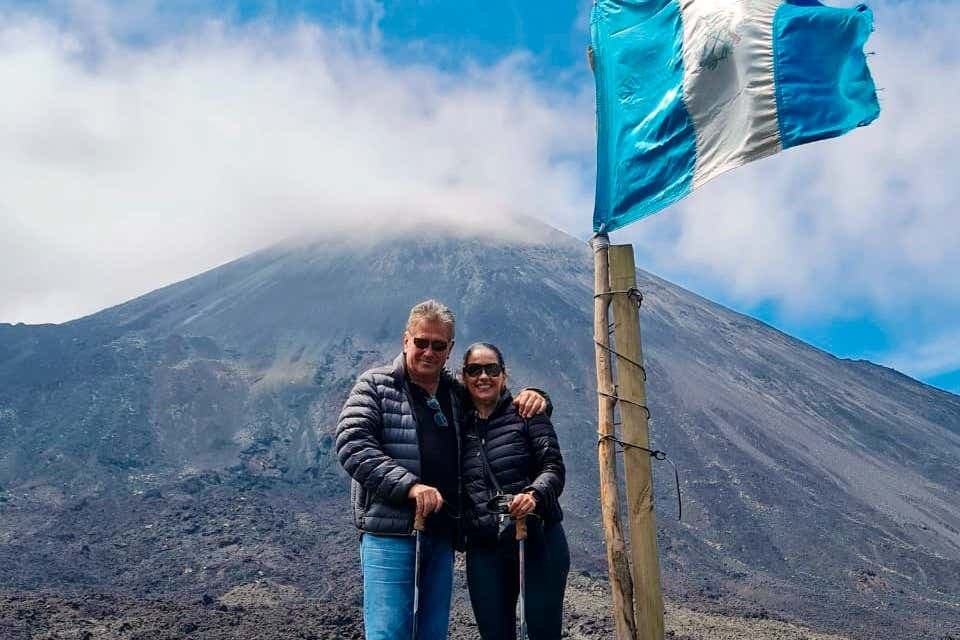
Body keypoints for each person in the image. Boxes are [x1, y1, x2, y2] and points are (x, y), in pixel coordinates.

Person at [335, 300, 548, 640]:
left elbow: (493, 393)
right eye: (421, 342)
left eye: (438, 345)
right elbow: (352, 444)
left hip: (441, 533)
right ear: (406, 340)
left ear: (450, 349)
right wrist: (410, 487)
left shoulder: (454, 392)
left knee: (432, 633)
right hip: (390, 533)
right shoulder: (375, 385)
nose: (428, 352)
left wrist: (537, 396)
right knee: (389, 632)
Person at [460, 342, 569, 640]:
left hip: (538, 540)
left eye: (491, 369)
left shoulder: (527, 414)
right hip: (484, 547)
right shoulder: (457, 424)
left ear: (504, 376)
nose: (483, 376)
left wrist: (533, 495)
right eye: (474, 370)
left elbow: (553, 468)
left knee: (541, 633)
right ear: (463, 377)